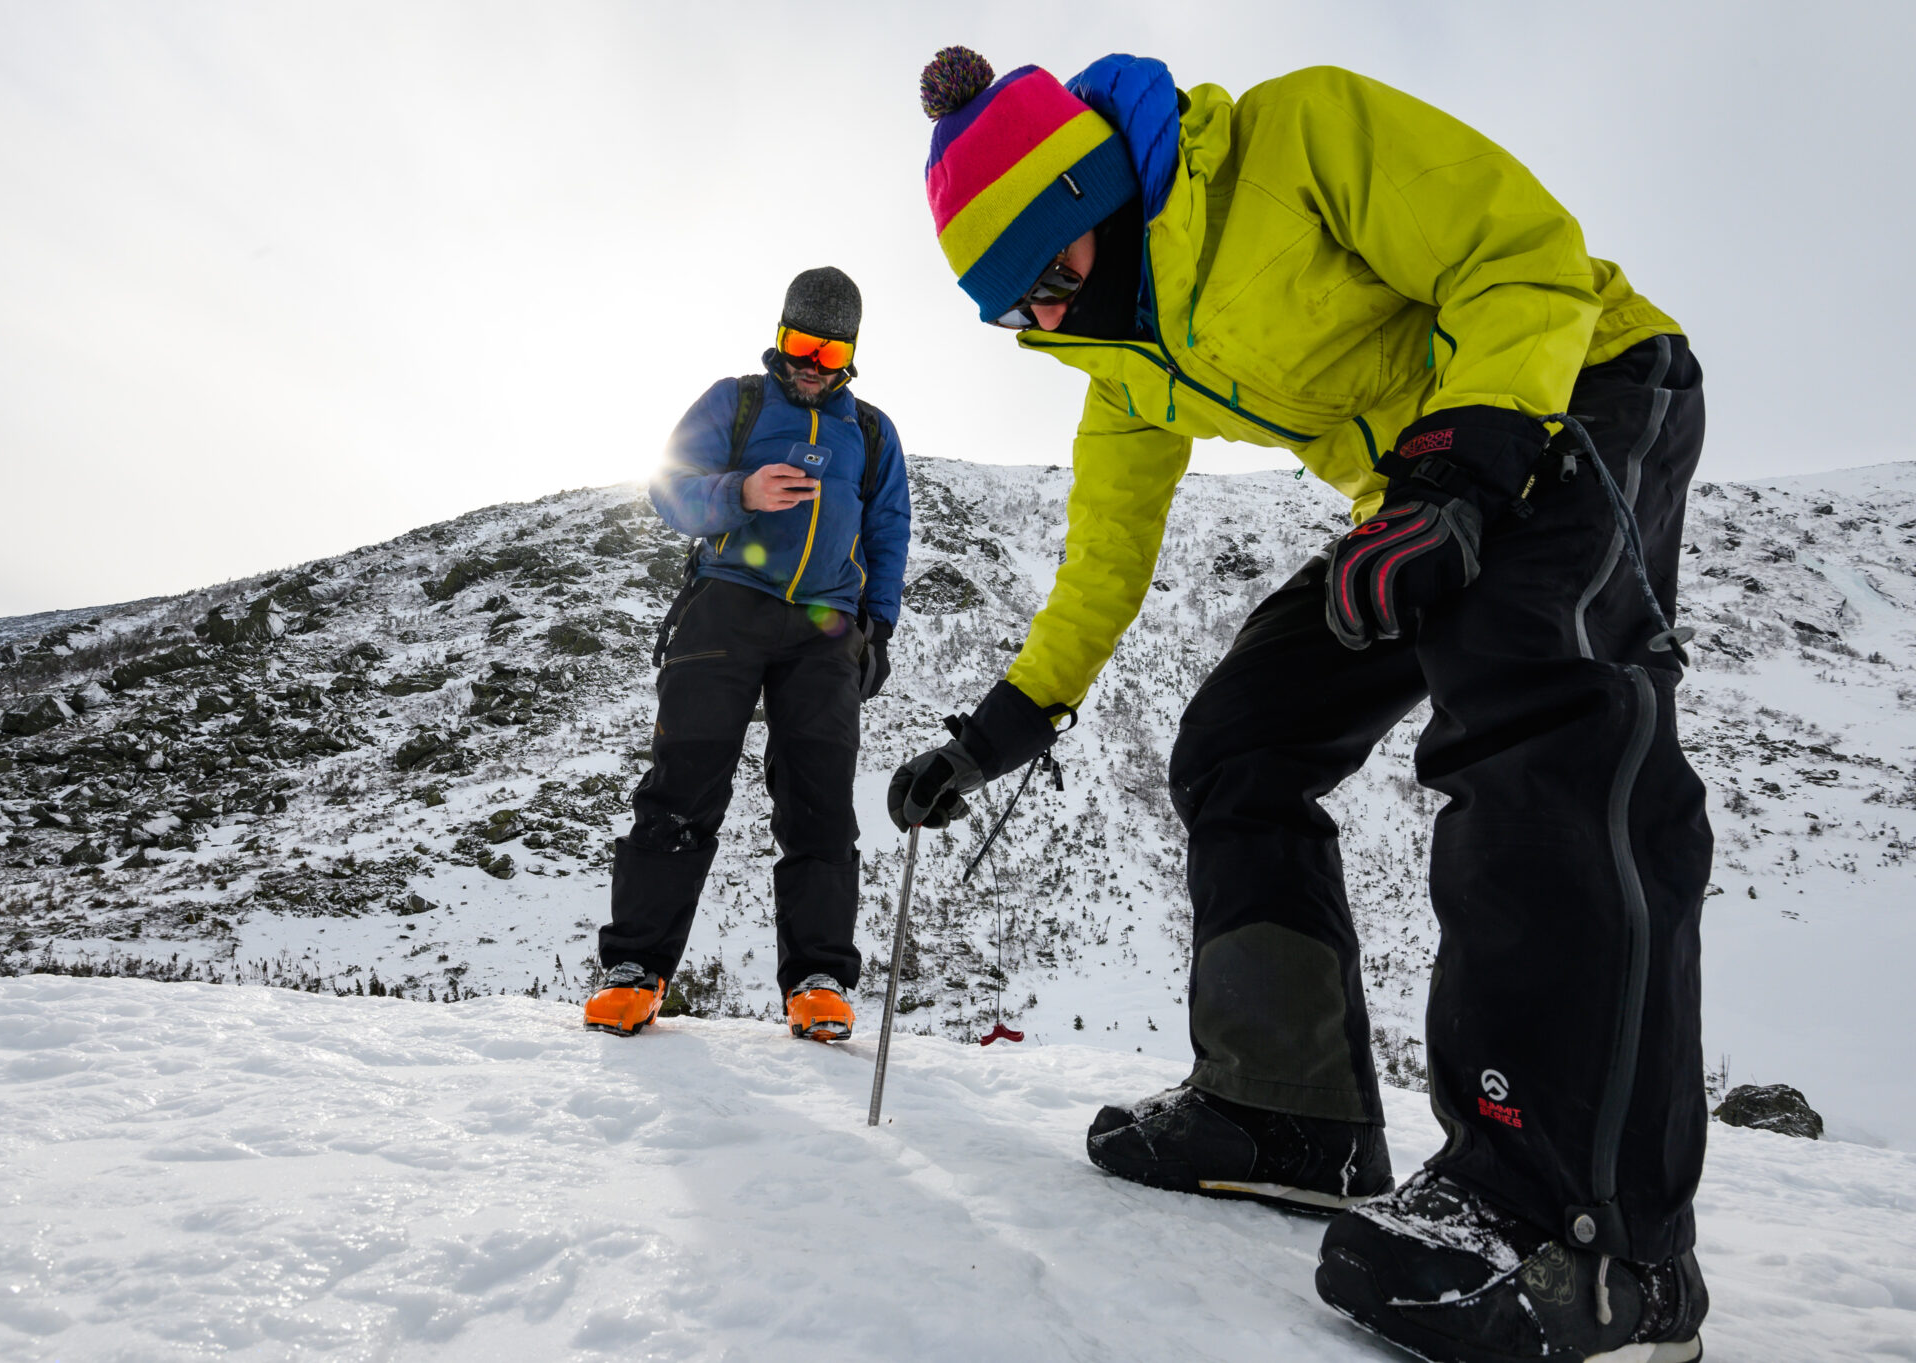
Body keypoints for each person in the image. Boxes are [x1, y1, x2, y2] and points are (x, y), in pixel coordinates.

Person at [891, 48, 1710, 1363]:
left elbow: (1520, 252)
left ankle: (1591, 1234)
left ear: (1094, 205)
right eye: (1013, 316)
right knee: (1240, 739)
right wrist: (996, 731)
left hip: (1576, 383)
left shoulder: (1294, 135)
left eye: (1048, 282)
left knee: (1534, 710)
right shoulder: (1128, 364)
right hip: (1427, 481)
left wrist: (1466, 462)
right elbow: (1100, 567)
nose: (1044, 326)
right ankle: (1289, 1113)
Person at [586, 267, 912, 1046]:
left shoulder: (870, 432)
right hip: (726, 606)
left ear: (851, 354)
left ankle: (818, 980)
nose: (813, 362)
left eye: (830, 351)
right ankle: (635, 970)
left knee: (820, 801)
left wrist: (878, 629)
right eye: (801, 343)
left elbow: (888, 531)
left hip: (825, 628)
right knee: (684, 783)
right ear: (779, 334)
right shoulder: (736, 402)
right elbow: (668, 490)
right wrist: (741, 492)